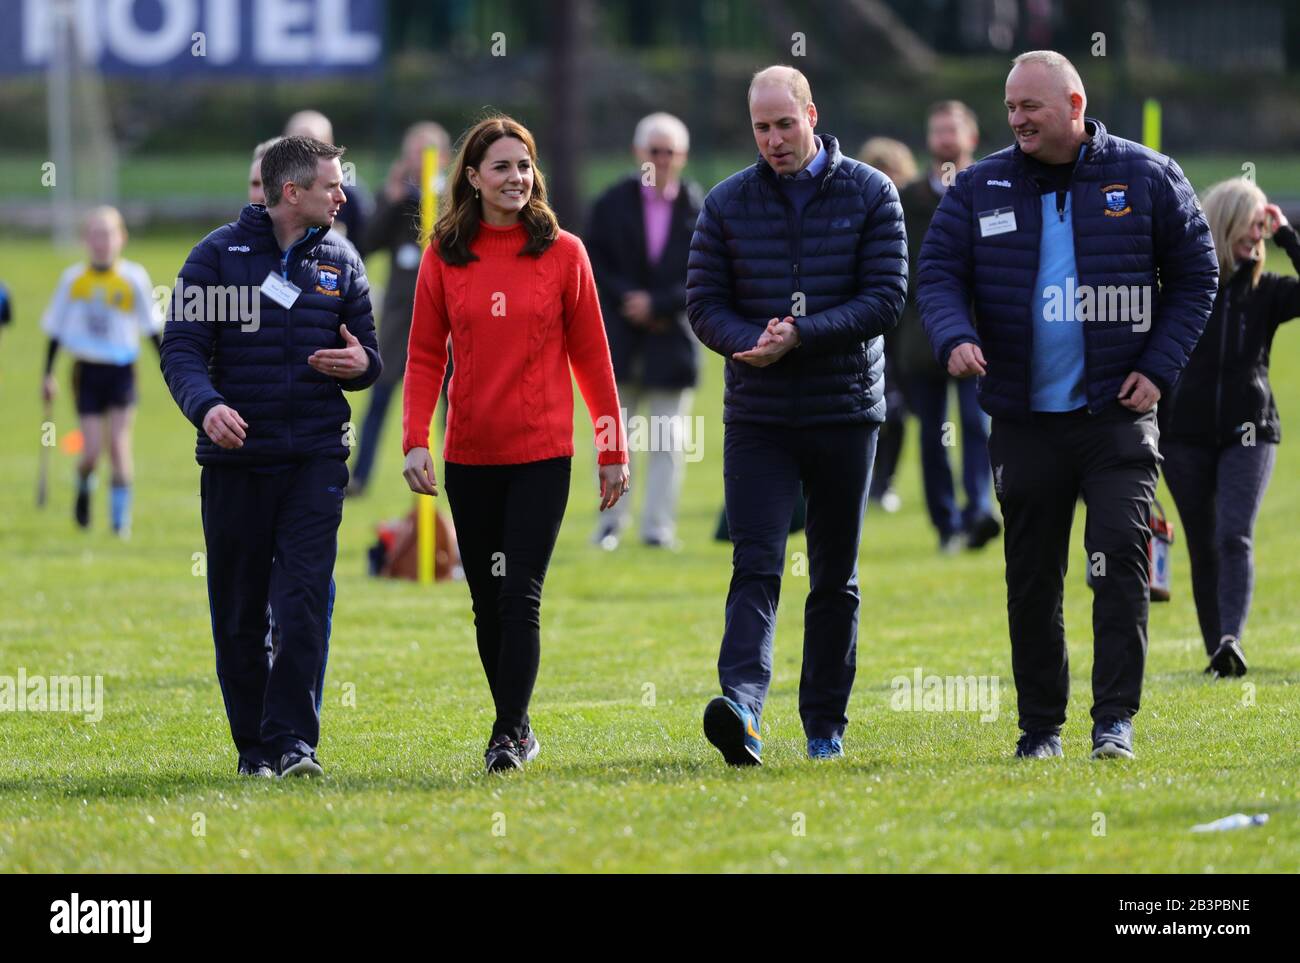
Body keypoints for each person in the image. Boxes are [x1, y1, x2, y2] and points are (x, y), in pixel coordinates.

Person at [917, 50, 1217, 760]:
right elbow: (937, 272)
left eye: (1032, 107)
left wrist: (1158, 366)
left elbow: (1197, 272)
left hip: (1116, 417)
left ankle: (1114, 720)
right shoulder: (979, 184)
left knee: (1119, 562)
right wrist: (954, 335)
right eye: (1010, 107)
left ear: (1075, 107)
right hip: (1022, 422)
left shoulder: (1145, 175)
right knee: (1032, 580)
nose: (1017, 119)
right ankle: (1040, 729)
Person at [687, 65, 907, 765]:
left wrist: (801, 335)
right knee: (755, 561)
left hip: (845, 411)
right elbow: (704, 303)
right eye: (761, 127)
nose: (775, 139)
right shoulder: (725, 203)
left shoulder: (872, 193)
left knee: (834, 575)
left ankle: (824, 727)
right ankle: (744, 710)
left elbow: (886, 298)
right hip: (758, 414)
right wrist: (744, 342)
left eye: (786, 123)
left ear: (813, 113)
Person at [401, 115, 629, 773]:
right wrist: (416, 440)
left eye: (524, 165)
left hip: (541, 455)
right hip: (469, 455)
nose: (515, 178)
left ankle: (505, 734)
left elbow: (593, 358)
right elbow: (422, 355)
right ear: (471, 177)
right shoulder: (445, 255)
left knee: (518, 592)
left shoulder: (565, 253)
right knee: (486, 602)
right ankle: (518, 724)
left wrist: (612, 448)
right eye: (501, 166)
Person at [161, 135, 382, 779]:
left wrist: (362, 364)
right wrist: (207, 407)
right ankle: (253, 748)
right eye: (331, 185)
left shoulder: (342, 261)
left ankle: (292, 743)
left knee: (305, 599)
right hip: (236, 464)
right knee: (239, 609)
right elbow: (180, 348)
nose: (343, 195)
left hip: (315, 459)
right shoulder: (216, 257)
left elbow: (369, 354)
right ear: (292, 192)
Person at [1158, 179, 1300, 678]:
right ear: (1224, 223)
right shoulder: (1181, 286)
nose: (1257, 237)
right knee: (1202, 543)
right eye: (1251, 226)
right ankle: (1217, 653)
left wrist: (1288, 238)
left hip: (1251, 431)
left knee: (1233, 534)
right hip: (1184, 435)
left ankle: (1230, 638)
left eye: (1263, 228)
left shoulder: (1268, 293)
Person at [587, 112, 703, 550]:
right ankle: (610, 524)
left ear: (683, 156)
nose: (662, 159)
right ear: (639, 154)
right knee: (614, 438)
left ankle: (657, 528)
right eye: (654, 151)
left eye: (669, 152)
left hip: (671, 341)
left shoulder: (698, 207)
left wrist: (659, 303)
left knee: (669, 440)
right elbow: (592, 262)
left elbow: (706, 273)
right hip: (618, 337)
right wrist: (629, 300)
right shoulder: (611, 203)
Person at [898, 101, 1001, 552]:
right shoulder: (908, 198)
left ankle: (979, 510)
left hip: (979, 332)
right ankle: (947, 524)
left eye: (952, 129)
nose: (945, 138)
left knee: (978, 425)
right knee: (932, 433)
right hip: (921, 338)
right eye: (937, 130)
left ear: (971, 137)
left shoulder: (994, 190)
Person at [41, 206, 161, 537]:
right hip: (86, 372)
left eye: (108, 235)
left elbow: (152, 328)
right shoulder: (72, 280)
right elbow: (55, 331)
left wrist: (171, 370)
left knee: (119, 447)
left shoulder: (133, 277)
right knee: (91, 451)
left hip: (122, 370)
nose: (101, 242)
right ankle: (83, 484)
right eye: (94, 235)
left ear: (121, 238)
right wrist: (48, 375)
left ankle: (119, 524)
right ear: (85, 240)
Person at [349, 121, 452, 496]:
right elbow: (365, 244)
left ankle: (455, 474)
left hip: (448, 319)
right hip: (399, 315)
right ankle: (359, 476)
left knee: (451, 400)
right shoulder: (397, 199)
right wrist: (391, 201)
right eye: (411, 152)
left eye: (425, 152)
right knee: (381, 395)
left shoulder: (453, 199)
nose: (417, 161)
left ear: (442, 158)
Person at [858, 136, 917, 515]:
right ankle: (868, 479)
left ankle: (885, 481)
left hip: (908, 329)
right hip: (870, 328)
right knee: (878, 405)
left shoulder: (914, 213)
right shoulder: (858, 211)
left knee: (897, 410)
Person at [285, 109, 371, 243]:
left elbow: (367, 239)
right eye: (296, 144)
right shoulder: (272, 187)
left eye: (312, 144)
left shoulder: (349, 192)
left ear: (329, 145)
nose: (303, 152)